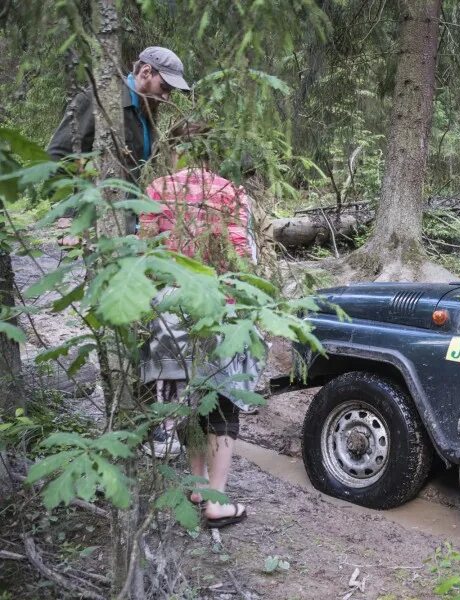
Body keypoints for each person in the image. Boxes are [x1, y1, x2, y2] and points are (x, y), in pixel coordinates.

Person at [138, 124, 262, 528]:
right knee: (221, 402)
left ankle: (195, 486)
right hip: (217, 310)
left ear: (175, 151)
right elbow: (240, 254)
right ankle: (216, 500)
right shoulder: (231, 192)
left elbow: (145, 252)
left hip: (170, 312)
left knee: (188, 399)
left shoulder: (156, 188)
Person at [47, 47, 191, 241]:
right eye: (164, 87)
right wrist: (67, 216)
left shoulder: (146, 107)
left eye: (170, 91)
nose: (166, 97)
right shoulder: (100, 99)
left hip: (133, 225)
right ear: (146, 72)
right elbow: (58, 154)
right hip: (98, 221)